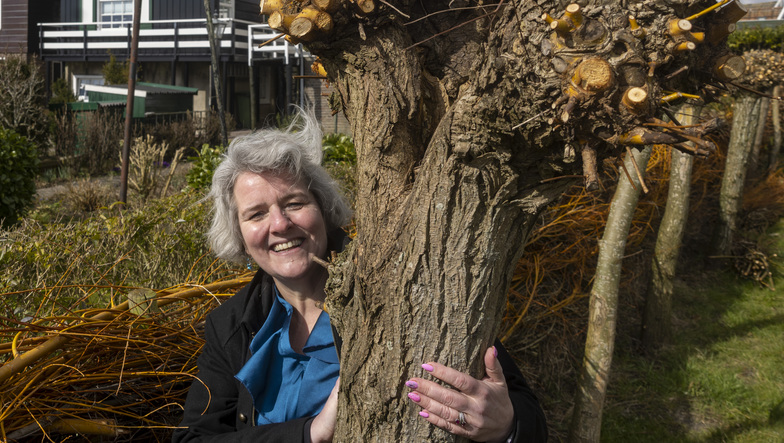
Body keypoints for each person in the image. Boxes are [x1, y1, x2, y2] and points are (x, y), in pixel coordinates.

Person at [173, 113, 547, 443]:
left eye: (294, 203)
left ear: (323, 207)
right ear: (238, 232)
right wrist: (310, 433)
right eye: (255, 214)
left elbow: (526, 416)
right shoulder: (230, 326)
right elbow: (194, 437)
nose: (279, 225)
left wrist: (506, 426)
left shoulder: (402, 286)